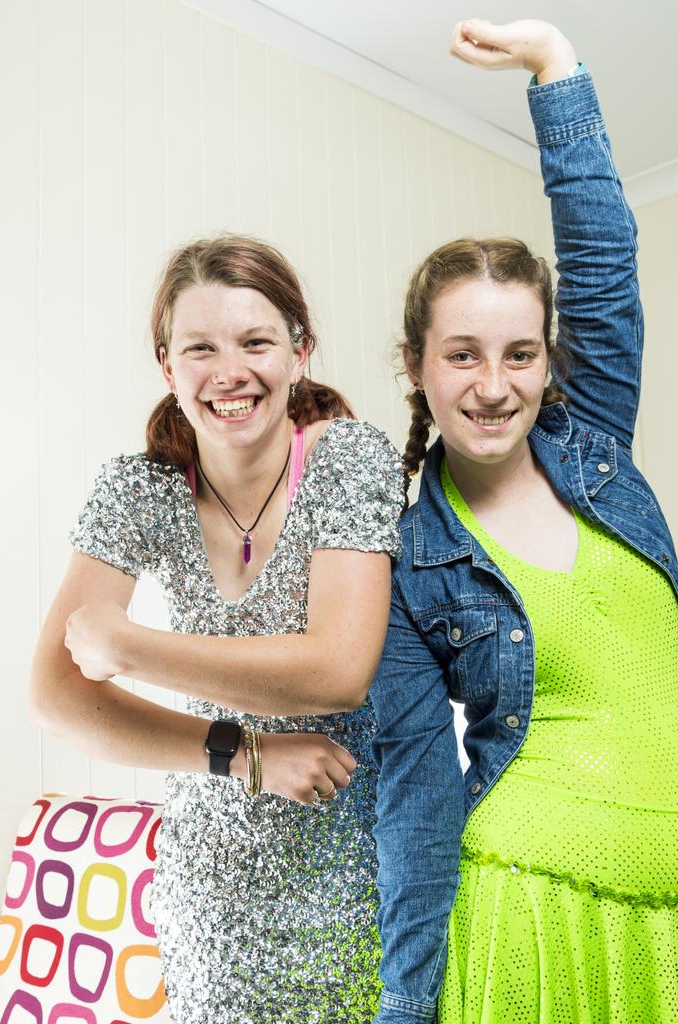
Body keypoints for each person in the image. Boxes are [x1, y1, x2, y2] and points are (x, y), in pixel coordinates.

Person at [370, 19, 678, 1024]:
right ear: (416, 364)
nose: (493, 385)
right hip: (529, 917)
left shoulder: (596, 449)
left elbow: (602, 266)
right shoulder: (411, 563)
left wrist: (554, 65)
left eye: (518, 353)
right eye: (463, 354)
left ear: (549, 362)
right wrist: (408, 1004)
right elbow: (416, 799)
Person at [29, 234, 404, 1024]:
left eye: (256, 341)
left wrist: (129, 647)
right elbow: (55, 695)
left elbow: (339, 669)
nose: (228, 370)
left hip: (357, 873)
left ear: (300, 354)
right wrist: (243, 756)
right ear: (169, 369)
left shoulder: (348, 459)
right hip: (209, 890)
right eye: (200, 347)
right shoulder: (137, 489)